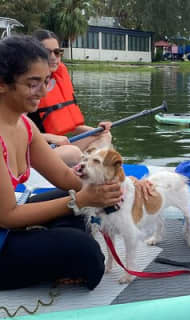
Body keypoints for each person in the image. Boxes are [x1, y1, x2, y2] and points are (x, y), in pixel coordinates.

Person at [0, 35, 123, 290]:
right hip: (5, 224)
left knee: (74, 208)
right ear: (2, 83)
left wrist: (117, 186)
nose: (44, 92)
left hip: (7, 221)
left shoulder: (25, 125)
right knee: (87, 254)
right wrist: (81, 201)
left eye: (46, 81)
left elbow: (67, 180)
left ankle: (43, 249)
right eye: (33, 83)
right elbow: (8, 217)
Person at [28, 29, 111, 166]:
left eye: (57, 52)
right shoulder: (23, 86)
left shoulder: (55, 81)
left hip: (53, 147)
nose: (54, 57)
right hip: (30, 151)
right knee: (72, 153)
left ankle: (90, 170)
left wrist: (96, 129)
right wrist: (51, 137)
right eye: (47, 52)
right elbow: (13, 132)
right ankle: (86, 170)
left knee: (104, 135)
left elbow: (66, 125)